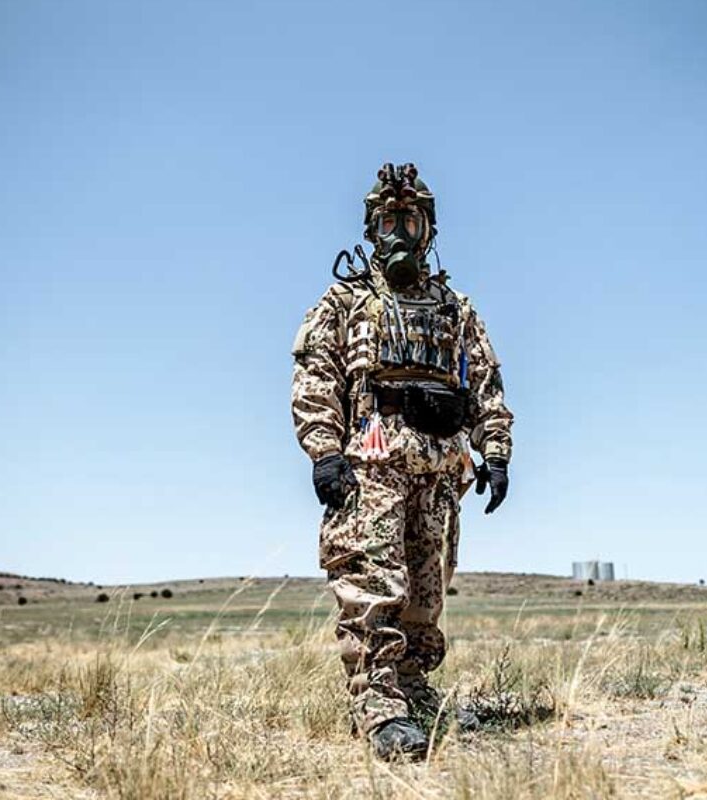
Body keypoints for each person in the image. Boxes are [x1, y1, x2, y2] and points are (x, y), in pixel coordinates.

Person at [290, 163, 514, 760]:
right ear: (371, 228)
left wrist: (494, 453)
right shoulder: (345, 302)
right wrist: (324, 453)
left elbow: (485, 384)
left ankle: (412, 687)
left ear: (428, 229)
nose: (399, 230)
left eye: (409, 219)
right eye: (388, 219)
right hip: (373, 466)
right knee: (373, 586)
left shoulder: (454, 309)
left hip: (440, 471)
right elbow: (315, 378)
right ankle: (378, 702)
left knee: (426, 591)